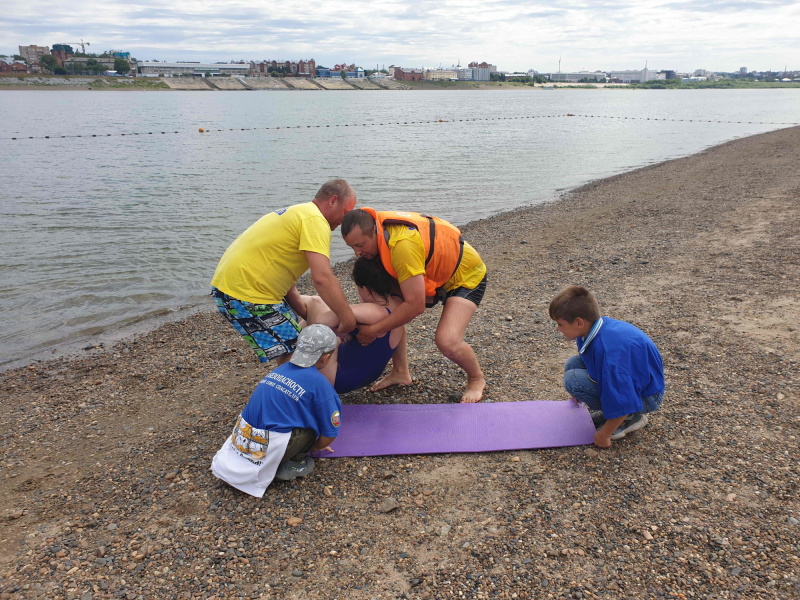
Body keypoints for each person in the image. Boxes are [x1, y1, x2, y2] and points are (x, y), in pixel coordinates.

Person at [341, 208, 487, 403]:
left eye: (360, 245)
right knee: (390, 309)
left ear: (375, 230)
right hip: (436, 275)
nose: (357, 253)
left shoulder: (402, 247)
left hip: (466, 277)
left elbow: (415, 306)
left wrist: (374, 330)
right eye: (352, 247)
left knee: (447, 341)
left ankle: (477, 378)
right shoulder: (381, 233)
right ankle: (401, 372)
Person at [210, 179, 358, 365]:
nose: (343, 221)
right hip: (246, 295)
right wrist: (348, 319)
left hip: (231, 288)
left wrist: (308, 317)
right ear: (333, 201)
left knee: (295, 346)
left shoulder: (299, 212)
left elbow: (287, 283)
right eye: (345, 213)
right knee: (307, 356)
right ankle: (290, 391)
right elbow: (322, 278)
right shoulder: (316, 221)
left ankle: (290, 385)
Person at [210, 324, 341, 497]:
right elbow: (331, 432)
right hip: (270, 444)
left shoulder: (280, 370)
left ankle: (266, 460)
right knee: (310, 432)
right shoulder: (320, 385)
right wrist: (316, 446)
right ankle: (292, 463)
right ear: (325, 357)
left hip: (243, 435)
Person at [549, 285, 665, 449]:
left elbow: (624, 395)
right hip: (637, 382)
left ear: (579, 322)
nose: (558, 328)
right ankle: (614, 413)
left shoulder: (609, 353)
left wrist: (604, 435)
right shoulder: (593, 328)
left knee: (573, 381)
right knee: (572, 364)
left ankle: (631, 417)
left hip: (646, 396)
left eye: (560, 324)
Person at [301, 257, 405, 394]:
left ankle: (294, 371)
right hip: (366, 376)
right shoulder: (399, 310)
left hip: (338, 378)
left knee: (315, 302)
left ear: (365, 289)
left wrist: (342, 324)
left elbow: (320, 321)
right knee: (322, 309)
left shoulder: (374, 311)